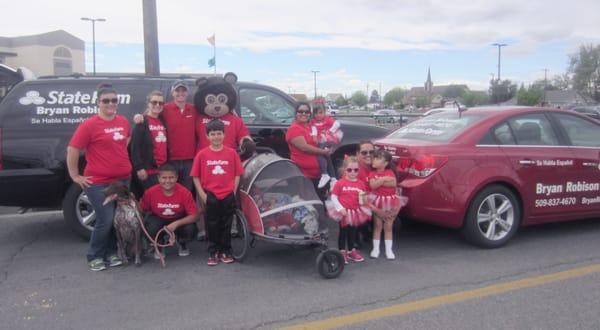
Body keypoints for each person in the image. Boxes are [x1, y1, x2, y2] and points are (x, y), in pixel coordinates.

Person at [66, 83, 131, 271]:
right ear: (98, 103)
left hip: (122, 180)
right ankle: (94, 255)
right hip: (98, 182)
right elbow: (72, 149)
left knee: (116, 218)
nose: (110, 103)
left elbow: (126, 140)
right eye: (106, 100)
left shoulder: (123, 122)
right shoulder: (89, 125)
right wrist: (75, 175)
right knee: (105, 219)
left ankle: (111, 253)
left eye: (114, 100)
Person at [191, 119, 244, 266]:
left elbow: (237, 174)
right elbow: (195, 176)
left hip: (227, 194)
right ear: (207, 136)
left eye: (219, 133)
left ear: (224, 134)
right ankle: (213, 251)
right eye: (213, 134)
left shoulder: (232, 153)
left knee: (226, 224)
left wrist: (233, 191)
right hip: (210, 195)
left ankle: (226, 250)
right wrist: (203, 195)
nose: (216, 137)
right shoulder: (202, 154)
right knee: (211, 224)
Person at [139, 163, 199, 259]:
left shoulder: (185, 192)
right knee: (149, 226)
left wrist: (176, 224)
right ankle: (159, 243)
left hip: (178, 219)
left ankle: (181, 242)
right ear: (158, 178)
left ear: (176, 177)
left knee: (190, 229)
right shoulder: (150, 192)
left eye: (171, 177)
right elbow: (141, 209)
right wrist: (131, 200)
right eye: (164, 178)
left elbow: (195, 216)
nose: (167, 181)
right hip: (158, 219)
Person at [325, 156, 371, 263]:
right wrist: (340, 208)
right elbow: (334, 197)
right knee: (343, 232)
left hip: (355, 212)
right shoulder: (340, 183)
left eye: (356, 170)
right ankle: (342, 252)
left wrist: (364, 205)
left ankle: (351, 251)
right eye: (350, 170)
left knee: (353, 232)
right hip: (344, 212)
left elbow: (363, 197)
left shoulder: (360, 183)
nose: (353, 172)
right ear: (344, 170)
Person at [285, 102, 332, 196]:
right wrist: (323, 152)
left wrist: (328, 146)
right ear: (296, 113)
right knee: (311, 202)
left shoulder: (310, 127)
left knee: (323, 200)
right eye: (301, 111)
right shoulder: (294, 129)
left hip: (319, 175)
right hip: (306, 176)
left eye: (307, 112)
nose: (304, 114)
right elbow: (304, 147)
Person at [368, 149, 406, 260]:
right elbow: (373, 186)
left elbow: (393, 183)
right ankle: (376, 249)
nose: (374, 160)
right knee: (377, 225)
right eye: (374, 157)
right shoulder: (372, 173)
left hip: (390, 202)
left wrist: (380, 181)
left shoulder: (390, 172)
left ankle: (389, 250)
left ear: (385, 163)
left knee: (388, 226)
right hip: (378, 201)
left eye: (378, 158)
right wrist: (384, 179)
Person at [130, 91, 168, 190]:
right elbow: (134, 147)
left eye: (161, 103)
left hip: (162, 170)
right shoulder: (142, 122)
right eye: (154, 102)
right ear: (148, 103)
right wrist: (139, 168)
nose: (158, 105)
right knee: (149, 200)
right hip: (147, 171)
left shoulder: (162, 121)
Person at [310, 104, 343, 189]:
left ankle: (324, 174)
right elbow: (313, 129)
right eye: (316, 113)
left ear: (324, 113)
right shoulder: (313, 121)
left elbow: (337, 123)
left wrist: (330, 131)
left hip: (328, 139)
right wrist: (314, 136)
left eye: (320, 113)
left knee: (319, 153)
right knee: (327, 158)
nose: (318, 115)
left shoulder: (327, 119)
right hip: (321, 139)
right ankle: (333, 178)